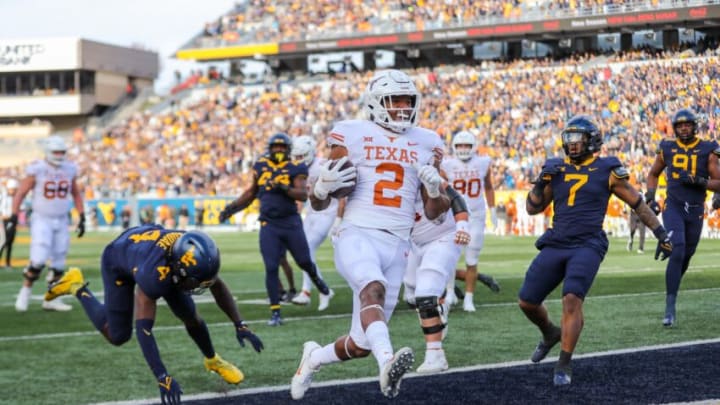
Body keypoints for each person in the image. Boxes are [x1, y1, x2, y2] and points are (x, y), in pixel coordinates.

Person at [290, 69, 450, 400]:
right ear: (377, 103)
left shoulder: (428, 141)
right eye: (395, 102)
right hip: (357, 232)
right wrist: (320, 187)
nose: (403, 108)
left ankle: (313, 358)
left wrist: (434, 189)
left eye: (408, 101)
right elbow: (319, 203)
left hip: (399, 243)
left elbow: (436, 212)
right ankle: (388, 362)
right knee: (371, 290)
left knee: (361, 342)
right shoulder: (351, 133)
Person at [519, 115, 673, 386]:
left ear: (592, 141)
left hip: (588, 244)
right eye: (569, 139)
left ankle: (564, 363)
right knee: (527, 301)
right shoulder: (556, 167)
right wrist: (541, 183)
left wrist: (660, 233)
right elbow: (532, 209)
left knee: (571, 300)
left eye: (578, 139)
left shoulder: (608, 169)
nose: (573, 144)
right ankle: (550, 333)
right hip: (557, 241)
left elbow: (637, 203)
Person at [44, 225, 264, 405]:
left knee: (189, 314)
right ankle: (76, 286)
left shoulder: (186, 251)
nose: (197, 287)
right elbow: (144, 329)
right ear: (178, 267)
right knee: (118, 335)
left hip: (147, 252)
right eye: (193, 282)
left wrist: (240, 324)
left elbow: (217, 285)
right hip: (119, 260)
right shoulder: (153, 276)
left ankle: (213, 361)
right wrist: (162, 376)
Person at [218, 132, 330, 326]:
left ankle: (317, 281)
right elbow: (251, 193)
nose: (278, 151)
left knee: (304, 261)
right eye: (275, 148)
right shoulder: (261, 166)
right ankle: (275, 313)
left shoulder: (296, 166)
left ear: (288, 150)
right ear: (270, 149)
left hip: (291, 223)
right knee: (271, 267)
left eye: (282, 148)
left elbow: (303, 195)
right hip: (268, 224)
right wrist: (231, 208)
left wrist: (283, 188)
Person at [646, 108, 720, 327]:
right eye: (680, 126)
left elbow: (719, 182)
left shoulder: (707, 149)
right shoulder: (667, 147)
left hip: (696, 209)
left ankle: (667, 243)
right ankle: (670, 308)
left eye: (687, 125)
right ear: (675, 128)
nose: (684, 128)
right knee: (678, 248)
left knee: (685, 255)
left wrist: (699, 182)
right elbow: (652, 174)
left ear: (694, 126)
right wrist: (651, 195)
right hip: (674, 206)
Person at [9, 136, 86, 312]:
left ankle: (51, 299)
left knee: (59, 260)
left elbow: (75, 193)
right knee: (38, 259)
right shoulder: (38, 169)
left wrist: (82, 216)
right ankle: (25, 292)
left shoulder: (69, 168)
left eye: (62, 152)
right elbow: (20, 193)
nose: (59, 155)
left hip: (61, 219)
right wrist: (14, 215)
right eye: (56, 152)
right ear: (48, 152)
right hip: (42, 218)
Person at [403, 175, 470, 373]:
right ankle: (440, 308)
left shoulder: (423, 169)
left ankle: (435, 355)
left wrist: (462, 226)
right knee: (412, 297)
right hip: (415, 241)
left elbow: (455, 197)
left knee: (426, 293)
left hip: (444, 235)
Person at [441, 130, 500, 312]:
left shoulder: (483, 162)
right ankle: (450, 292)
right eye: (460, 145)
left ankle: (469, 298)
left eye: (467, 145)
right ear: (454, 147)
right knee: (450, 256)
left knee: (471, 258)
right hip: (454, 215)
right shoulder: (447, 165)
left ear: (473, 146)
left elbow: (489, 187)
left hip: (475, 216)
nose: (464, 149)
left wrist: (492, 210)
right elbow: (441, 189)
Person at [290, 134, 339, 311]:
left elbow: (339, 189)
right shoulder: (298, 170)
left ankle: (307, 292)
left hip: (327, 212)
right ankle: (323, 289)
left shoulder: (321, 166)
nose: (297, 160)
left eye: (300, 156)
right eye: (295, 156)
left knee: (307, 247)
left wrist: (340, 217)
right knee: (301, 252)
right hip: (311, 213)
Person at [1, 178, 19, 268]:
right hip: (4, 221)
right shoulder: (3, 196)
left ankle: (7, 263)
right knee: (3, 242)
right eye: (12, 189)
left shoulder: (16, 198)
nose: (13, 191)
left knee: (10, 243)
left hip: (13, 221)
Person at [626, 188, 647, 254]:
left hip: (641, 214)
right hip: (634, 214)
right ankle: (630, 241)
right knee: (632, 230)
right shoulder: (631, 196)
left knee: (642, 232)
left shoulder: (643, 197)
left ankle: (641, 248)